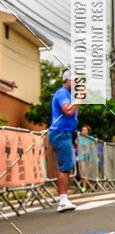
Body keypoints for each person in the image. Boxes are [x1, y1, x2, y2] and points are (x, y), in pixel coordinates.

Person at [48, 70, 81, 212]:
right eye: (73, 80)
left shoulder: (67, 94)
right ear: (66, 81)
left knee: (66, 166)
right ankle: (62, 200)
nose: (76, 83)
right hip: (60, 133)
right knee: (65, 166)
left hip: (64, 133)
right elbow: (68, 110)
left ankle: (63, 199)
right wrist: (79, 99)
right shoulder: (62, 93)